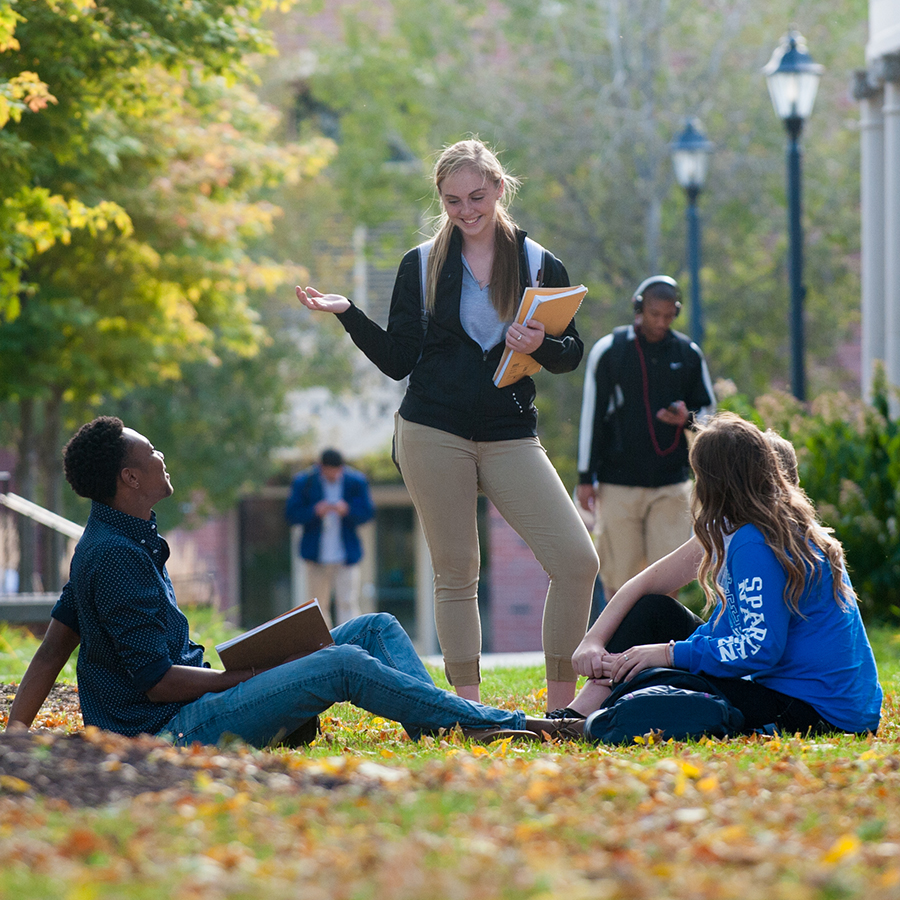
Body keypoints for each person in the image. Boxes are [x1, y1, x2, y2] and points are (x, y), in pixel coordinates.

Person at [6, 417, 581, 746]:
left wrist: (16, 730)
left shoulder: (119, 539)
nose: (162, 456)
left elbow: (56, 642)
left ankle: (443, 727)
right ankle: (503, 725)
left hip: (187, 706)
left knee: (373, 629)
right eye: (151, 452)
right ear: (130, 478)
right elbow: (156, 685)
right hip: (163, 731)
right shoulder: (110, 556)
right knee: (339, 665)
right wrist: (251, 675)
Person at [295, 138, 598, 711]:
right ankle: (467, 708)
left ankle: (563, 711)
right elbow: (398, 360)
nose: (466, 210)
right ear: (441, 198)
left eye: (477, 197)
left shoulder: (539, 262)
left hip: (509, 430)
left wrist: (542, 343)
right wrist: (348, 314)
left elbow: (571, 352)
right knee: (458, 570)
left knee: (577, 561)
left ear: (500, 190)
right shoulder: (421, 264)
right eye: (453, 200)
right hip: (433, 430)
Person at [559, 413, 882, 736]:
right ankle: (572, 717)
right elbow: (694, 607)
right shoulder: (745, 529)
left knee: (655, 675)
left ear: (714, 482)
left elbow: (759, 647)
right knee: (653, 618)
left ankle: (575, 723)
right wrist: (596, 643)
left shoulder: (755, 542)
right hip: (798, 696)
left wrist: (668, 654)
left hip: (818, 714)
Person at [576, 276, 716, 596]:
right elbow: (591, 417)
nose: (661, 322)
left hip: (670, 483)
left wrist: (688, 419)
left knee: (669, 579)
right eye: (654, 314)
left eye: (668, 316)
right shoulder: (610, 351)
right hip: (617, 482)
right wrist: (586, 478)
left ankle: (657, 645)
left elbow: (708, 413)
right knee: (618, 577)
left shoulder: (688, 353)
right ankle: (618, 646)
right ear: (639, 308)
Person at [285, 448, 375, 627]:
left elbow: (368, 512)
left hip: (346, 556)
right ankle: (323, 649)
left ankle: (350, 645)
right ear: (321, 467)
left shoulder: (355, 481)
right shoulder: (305, 482)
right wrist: (314, 511)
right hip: (316, 556)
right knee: (317, 606)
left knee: (348, 603)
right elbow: (291, 514)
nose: (334, 474)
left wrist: (347, 510)